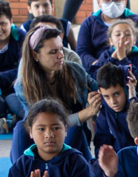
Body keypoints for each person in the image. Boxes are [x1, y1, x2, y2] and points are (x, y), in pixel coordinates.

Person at [8, 24, 95, 164]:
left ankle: (61, 171)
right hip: (42, 139)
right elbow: (43, 123)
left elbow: (101, 89)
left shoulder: (75, 71)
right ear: (35, 55)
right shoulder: (23, 85)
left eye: (61, 49)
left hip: (71, 137)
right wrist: (88, 112)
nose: (61, 55)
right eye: (53, 51)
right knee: (20, 127)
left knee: (73, 129)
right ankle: (23, 172)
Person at [73, 0, 138, 73]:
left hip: (130, 69)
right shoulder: (89, 23)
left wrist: (126, 65)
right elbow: (82, 51)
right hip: (99, 70)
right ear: (99, 2)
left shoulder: (136, 22)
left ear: (125, 2)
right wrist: (98, 65)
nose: (112, 3)